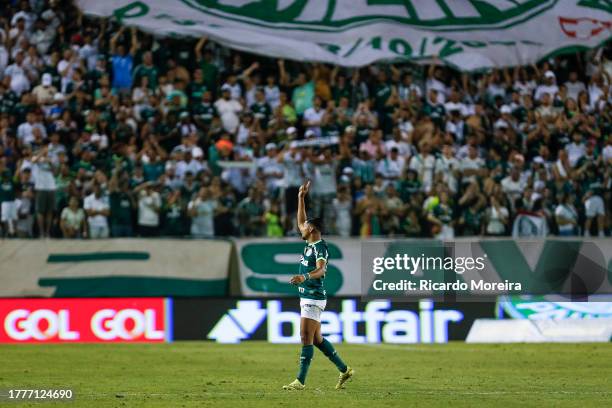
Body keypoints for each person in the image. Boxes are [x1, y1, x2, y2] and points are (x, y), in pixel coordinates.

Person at [283, 180, 354, 391]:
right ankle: (345, 370)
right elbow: (301, 221)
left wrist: (304, 277)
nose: (300, 228)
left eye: (305, 227)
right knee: (316, 339)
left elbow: (322, 270)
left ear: (312, 228)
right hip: (308, 296)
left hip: (313, 296)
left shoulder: (320, 248)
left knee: (305, 336)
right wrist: (300, 198)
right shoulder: (310, 243)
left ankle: (300, 381)